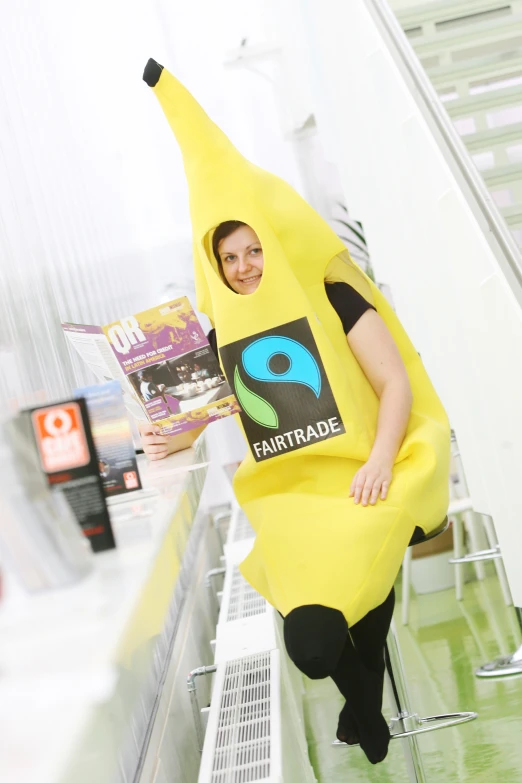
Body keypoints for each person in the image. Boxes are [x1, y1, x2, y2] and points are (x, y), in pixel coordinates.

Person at [141, 60, 450, 765]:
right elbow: (209, 408)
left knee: (352, 596)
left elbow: (394, 383)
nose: (247, 265)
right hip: (296, 501)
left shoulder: (334, 297)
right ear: (213, 264)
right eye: (232, 256)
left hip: (371, 473)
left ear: (272, 243)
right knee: (314, 643)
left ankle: (366, 701)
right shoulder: (224, 337)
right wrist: (170, 435)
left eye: (255, 249)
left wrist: (378, 460)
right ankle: (365, 699)